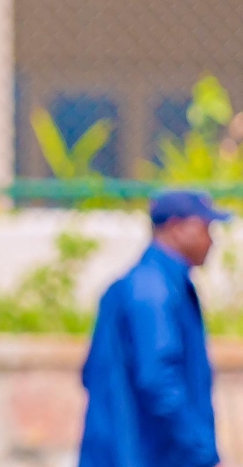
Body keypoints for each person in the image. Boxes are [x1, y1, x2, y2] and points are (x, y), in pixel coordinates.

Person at [79, 190, 231, 467]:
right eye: (205, 228)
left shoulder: (146, 283)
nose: (212, 240)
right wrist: (202, 454)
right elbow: (158, 380)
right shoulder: (153, 291)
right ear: (175, 227)